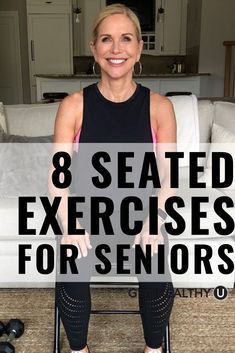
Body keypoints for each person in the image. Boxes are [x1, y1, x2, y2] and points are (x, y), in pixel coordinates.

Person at [50, 3, 176, 353]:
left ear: (138, 49)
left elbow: (169, 178)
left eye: (126, 39)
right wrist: (70, 222)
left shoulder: (159, 107)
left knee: (156, 266)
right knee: (71, 266)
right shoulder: (73, 106)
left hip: (141, 213)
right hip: (88, 212)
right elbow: (58, 176)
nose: (116, 49)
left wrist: (155, 220)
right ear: (94, 48)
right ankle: (79, 349)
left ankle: (154, 349)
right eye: (106, 39)